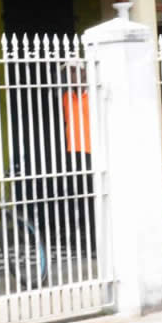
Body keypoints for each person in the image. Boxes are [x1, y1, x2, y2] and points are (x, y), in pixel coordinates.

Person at [61, 61, 95, 244]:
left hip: (91, 152)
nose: (71, 76)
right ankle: (85, 237)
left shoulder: (94, 95)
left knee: (93, 197)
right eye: (69, 72)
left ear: (84, 72)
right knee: (78, 197)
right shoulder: (67, 97)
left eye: (74, 71)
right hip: (72, 153)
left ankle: (96, 239)